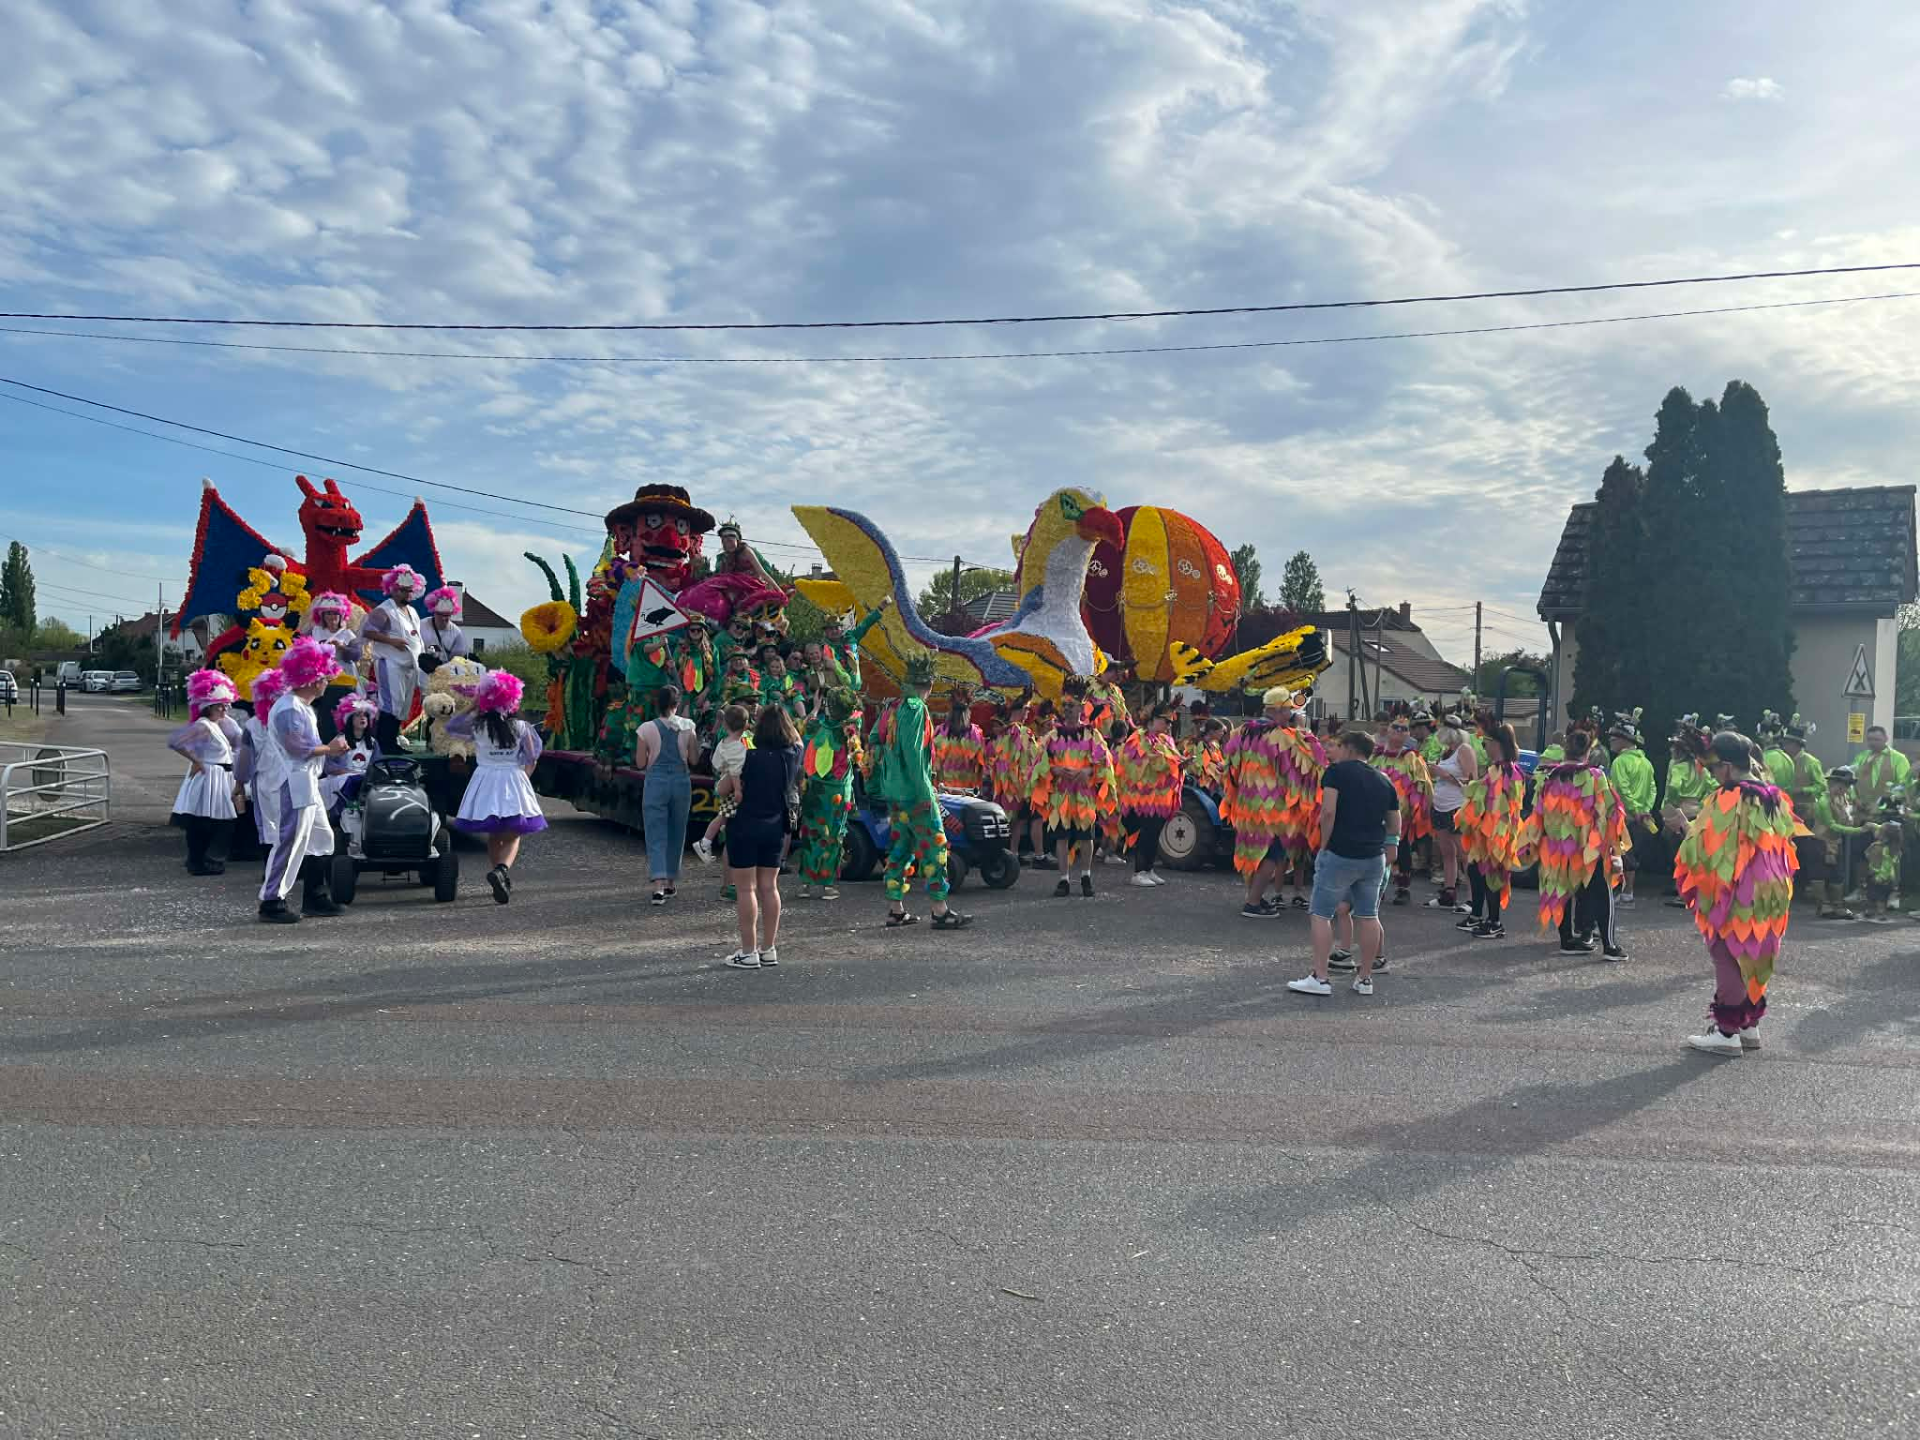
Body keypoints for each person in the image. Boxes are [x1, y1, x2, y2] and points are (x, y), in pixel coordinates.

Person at [1674, 730, 1798, 1055]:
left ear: (1727, 767)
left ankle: (1727, 1032)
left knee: (1726, 952)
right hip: (1773, 888)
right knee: (1756, 952)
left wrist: (1686, 828)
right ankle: (1749, 1026)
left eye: (1713, 769)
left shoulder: (1728, 798)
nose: (1713, 776)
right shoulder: (1774, 797)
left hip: (1741, 888)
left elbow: (1711, 849)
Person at [1287, 729, 1400, 998]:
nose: (1333, 750)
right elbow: (1395, 820)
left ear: (1349, 748)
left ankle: (1321, 977)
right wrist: (1390, 845)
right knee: (1368, 914)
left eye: (1338, 745)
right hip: (1373, 856)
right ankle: (1365, 978)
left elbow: (1328, 811)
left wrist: (1324, 843)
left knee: (1321, 913)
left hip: (1341, 852)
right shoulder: (1384, 780)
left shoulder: (1336, 773)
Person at [872, 655, 971, 929]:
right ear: (928, 685)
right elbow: (915, 756)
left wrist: (890, 771)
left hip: (894, 793)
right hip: (915, 794)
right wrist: (925, 793)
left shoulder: (892, 707)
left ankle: (895, 909)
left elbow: (873, 741)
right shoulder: (916, 709)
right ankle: (940, 911)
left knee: (900, 848)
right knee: (935, 846)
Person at [258, 638, 349, 923]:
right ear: (312, 678)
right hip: (294, 780)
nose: (327, 682)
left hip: (307, 780)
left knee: (321, 837)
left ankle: (315, 896)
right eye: (324, 677)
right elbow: (295, 747)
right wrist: (331, 749)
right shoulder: (289, 708)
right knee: (291, 839)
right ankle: (272, 900)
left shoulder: (300, 706)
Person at [1517, 728, 1629, 958]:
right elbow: (1609, 811)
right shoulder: (1596, 777)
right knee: (1601, 890)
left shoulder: (1548, 777)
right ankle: (1609, 945)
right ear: (1589, 751)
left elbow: (1538, 813)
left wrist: (1533, 844)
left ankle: (1567, 940)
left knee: (1562, 890)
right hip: (1589, 846)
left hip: (1556, 847)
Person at [440, 672, 546, 902]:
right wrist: (524, 778)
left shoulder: (478, 726)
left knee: (493, 834)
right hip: (513, 778)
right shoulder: (521, 726)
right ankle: (502, 870)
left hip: (485, 780)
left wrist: (471, 706)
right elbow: (532, 757)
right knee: (514, 833)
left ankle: (499, 872)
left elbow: (452, 727)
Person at [1222, 689, 1322, 919]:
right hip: (1272, 807)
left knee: (1253, 848)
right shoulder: (1282, 736)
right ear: (1276, 710)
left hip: (1247, 803)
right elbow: (1303, 768)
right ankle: (1253, 903)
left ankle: (1255, 897)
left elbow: (1230, 766)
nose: (1289, 714)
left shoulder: (1242, 731)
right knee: (1271, 852)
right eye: (1287, 709)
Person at [720, 704, 802, 968]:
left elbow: (722, 789)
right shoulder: (792, 754)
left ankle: (748, 951)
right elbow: (798, 738)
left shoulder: (747, 756)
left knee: (746, 888)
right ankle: (769, 948)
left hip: (745, 825)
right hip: (776, 827)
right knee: (770, 887)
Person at [1043, 677, 1116, 897]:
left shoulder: (1091, 735)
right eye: (1064, 705)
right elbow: (1041, 764)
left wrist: (1087, 771)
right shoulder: (1052, 737)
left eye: (1071, 706)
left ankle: (1086, 876)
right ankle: (1064, 879)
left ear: (1081, 708)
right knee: (1062, 838)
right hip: (1062, 794)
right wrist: (1055, 771)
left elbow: (1105, 762)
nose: (1066, 709)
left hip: (1084, 795)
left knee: (1086, 837)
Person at [794, 672, 863, 901]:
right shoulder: (849, 730)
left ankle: (806, 884)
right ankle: (826, 885)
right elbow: (857, 754)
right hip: (835, 791)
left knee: (812, 832)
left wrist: (815, 707)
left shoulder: (816, 725)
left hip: (815, 787)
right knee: (832, 836)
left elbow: (805, 727)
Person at [168, 670, 244, 876]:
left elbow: (238, 739)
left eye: (226, 705)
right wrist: (197, 761)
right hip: (210, 776)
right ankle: (201, 860)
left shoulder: (218, 724)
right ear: (209, 707)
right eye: (221, 706)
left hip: (222, 777)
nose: (225, 709)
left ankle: (209, 860)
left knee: (221, 823)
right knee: (204, 822)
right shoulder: (203, 726)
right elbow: (175, 742)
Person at [1456, 718, 1524, 938]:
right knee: (1476, 870)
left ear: (1497, 744)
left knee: (1492, 875)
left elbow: (1500, 804)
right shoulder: (1497, 770)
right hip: (1486, 832)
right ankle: (1478, 915)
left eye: (1486, 742)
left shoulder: (1508, 772)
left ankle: (1494, 922)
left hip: (1498, 833)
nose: (1484, 747)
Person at [635, 685, 699, 906]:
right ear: (677, 704)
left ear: (657, 703)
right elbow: (694, 759)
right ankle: (671, 880)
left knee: (656, 832)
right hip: (681, 781)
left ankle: (658, 885)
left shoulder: (645, 728)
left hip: (657, 781)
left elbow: (641, 763)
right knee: (677, 830)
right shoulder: (688, 726)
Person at [359, 565, 427, 753]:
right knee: (391, 702)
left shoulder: (412, 611)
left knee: (403, 705)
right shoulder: (384, 610)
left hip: (409, 665)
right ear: (392, 589)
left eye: (409, 591)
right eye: (402, 591)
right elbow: (368, 631)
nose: (406, 595)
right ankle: (384, 744)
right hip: (390, 662)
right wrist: (391, 641)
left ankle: (392, 740)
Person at [1117, 703, 1183, 887]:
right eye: (1166, 721)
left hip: (1161, 797)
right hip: (1142, 797)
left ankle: (1148, 869)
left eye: (1170, 722)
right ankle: (1138, 872)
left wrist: (1181, 763)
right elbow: (1142, 763)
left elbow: (1172, 759)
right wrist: (1173, 763)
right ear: (1153, 720)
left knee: (1154, 833)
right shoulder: (1137, 739)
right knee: (1146, 833)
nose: (1169, 725)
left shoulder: (1166, 740)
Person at [1369, 714, 1433, 905]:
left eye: (1403, 729)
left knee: (1401, 848)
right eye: (1395, 727)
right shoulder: (1376, 754)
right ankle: (1376, 887)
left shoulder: (1412, 757)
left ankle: (1402, 888)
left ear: (1408, 734)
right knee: (1376, 848)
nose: (1399, 732)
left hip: (1401, 814)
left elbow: (1424, 785)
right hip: (1374, 813)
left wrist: (1419, 810)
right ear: (1387, 730)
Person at [1424, 719, 1477, 912]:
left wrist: (1444, 775)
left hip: (1457, 805)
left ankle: (1473, 899)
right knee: (1447, 851)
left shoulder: (1464, 750)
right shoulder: (1446, 752)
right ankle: (1448, 893)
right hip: (1440, 804)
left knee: (1464, 853)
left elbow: (1472, 781)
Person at [1606, 710, 1657, 907]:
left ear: (1624, 740)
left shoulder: (1619, 762)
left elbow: (1621, 790)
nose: (1610, 740)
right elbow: (1653, 788)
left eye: (1614, 737)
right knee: (1631, 853)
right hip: (1642, 817)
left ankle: (1625, 893)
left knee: (1624, 853)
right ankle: (1627, 892)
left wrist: (1634, 811)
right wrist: (1644, 809)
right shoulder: (1646, 762)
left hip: (1625, 816)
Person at [235, 669, 288, 860]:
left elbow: (244, 761)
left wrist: (239, 783)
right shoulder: (296, 718)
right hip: (292, 780)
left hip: (267, 782)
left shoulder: (252, 726)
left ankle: (272, 868)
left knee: (270, 827)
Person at [692, 704, 752, 866]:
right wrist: (738, 789)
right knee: (722, 816)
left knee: (725, 816)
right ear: (745, 724)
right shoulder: (738, 747)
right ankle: (705, 842)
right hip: (734, 787)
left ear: (725, 724)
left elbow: (716, 763)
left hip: (723, 780)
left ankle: (712, 838)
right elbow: (735, 771)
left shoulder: (724, 742)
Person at [1810, 765, 1867, 919]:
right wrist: (1858, 830)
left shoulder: (1843, 799)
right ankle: (1823, 906)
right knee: (1820, 874)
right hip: (1821, 841)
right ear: (1832, 783)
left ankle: (1838, 905)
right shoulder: (1823, 800)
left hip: (1836, 841)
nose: (1845, 788)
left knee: (1837, 874)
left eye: (1848, 785)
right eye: (1842, 784)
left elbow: (1846, 819)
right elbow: (1831, 824)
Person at [322, 694, 380, 834]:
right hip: (343, 778)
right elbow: (328, 766)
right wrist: (349, 773)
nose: (362, 718)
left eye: (365, 716)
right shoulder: (340, 740)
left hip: (364, 780)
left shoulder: (372, 743)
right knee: (350, 780)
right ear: (348, 720)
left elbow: (377, 766)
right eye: (358, 715)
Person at [933, 691, 987, 792]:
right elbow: (980, 762)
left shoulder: (940, 732)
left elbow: (934, 762)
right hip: (959, 790)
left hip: (951, 789)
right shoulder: (975, 733)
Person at [1854, 724, 1911, 816]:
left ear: (1886, 739)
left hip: (1888, 811)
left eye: (1876, 740)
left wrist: (1883, 802)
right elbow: (1851, 780)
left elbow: (1904, 785)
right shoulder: (1861, 756)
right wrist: (1855, 799)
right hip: (1861, 810)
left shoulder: (1899, 758)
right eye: (1869, 740)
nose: (1872, 743)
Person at [1863, 793, 1904, 922]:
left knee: (1872, 895)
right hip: (1889, 878)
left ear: (1883, 836)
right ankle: (1880, 913)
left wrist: (1876, 875)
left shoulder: (1878, 847)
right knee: (1882, 897)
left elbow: (1869, 857)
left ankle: (1872, 911)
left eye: (1879, 830)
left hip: (1876, 875)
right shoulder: (1894, 849)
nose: (1877, 829)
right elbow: (1895, 866)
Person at [418, 586, 471, 673]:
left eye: (447, 615)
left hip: (444, 678)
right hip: (421, 675)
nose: (443, 618)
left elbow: (458, 661)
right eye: (440, 614)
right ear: (433, 611)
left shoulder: (457, 634)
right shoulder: (421, 625)